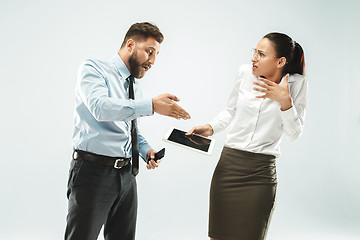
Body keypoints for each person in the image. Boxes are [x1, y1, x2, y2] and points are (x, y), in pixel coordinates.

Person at [65, 22, 190, 240]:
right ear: (130, 45)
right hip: (93, 171)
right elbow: (100, 108)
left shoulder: (135, 85)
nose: (152, 61)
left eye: (156, 55)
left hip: (126, 176)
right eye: (149, 52)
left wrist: (146, 150)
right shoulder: (93, 68)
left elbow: (130, 129)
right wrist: (151, 105)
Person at [187, 32, 308, 240]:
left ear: (281, 61)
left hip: (261, 173)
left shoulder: (297, 84)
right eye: (255, 52)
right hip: (228, 167)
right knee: (217, 236)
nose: (253, 58)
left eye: (261, 54)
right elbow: (230, 110)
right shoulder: (244, 73)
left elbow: (294, 134)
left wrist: (285, 101)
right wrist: (210, 127)